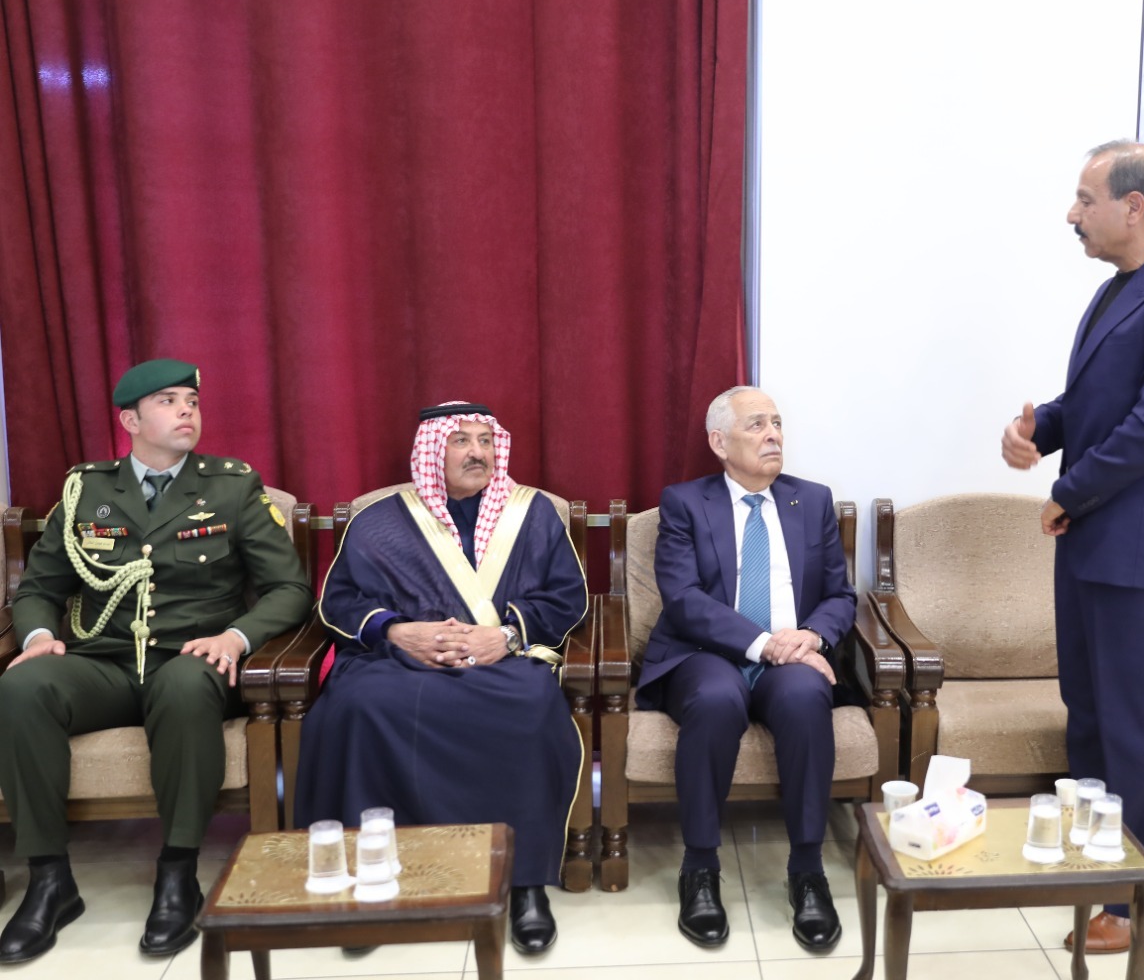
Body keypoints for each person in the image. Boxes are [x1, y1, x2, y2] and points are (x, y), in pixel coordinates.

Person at [1000, 140, 1144, 953]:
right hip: (1093, 544)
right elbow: (1099, 404)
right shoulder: (1119, 289)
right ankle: (1100, 866)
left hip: (1138, 550)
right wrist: (1041, 429)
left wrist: (1068, 490)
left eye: (1084, 199)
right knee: (1092, 717)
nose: (1071, 214)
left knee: (1135, 727)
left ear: (1133, 207)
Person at [0, 359, 313, 962]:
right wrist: (38, 637)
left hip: (194, 657)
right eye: (168, 401)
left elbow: (289, 589)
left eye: (191, 401)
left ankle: (177, 873)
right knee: (23, 687)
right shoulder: (86, 490)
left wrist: (236, 637)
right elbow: (38, 589)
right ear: (131, 421)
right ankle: (48, 880)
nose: (186, 410)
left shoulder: (231, 486)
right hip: (106, 661)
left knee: (182, 685)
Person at [294, 402, 587, 955]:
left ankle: (525, 882)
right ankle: (372, 879)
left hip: (500, 659)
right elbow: (340, 601)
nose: (478, 452)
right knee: (358, 705)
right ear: (432, 450)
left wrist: (506, 636)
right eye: (461, 441)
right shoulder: (378, 520)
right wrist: (394, 630)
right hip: (400, 662)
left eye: (486, 441)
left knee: (532, 702)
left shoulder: (533, 514)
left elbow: (566, 597)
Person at [637, 386, 856, 952]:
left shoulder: (811, 500)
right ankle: (700, 867)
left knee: (806, 696)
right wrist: (765, 645)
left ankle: (807, 870)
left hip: (792, 654)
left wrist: (811, 636)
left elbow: (839, 595)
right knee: (716, 699)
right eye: (756, 424)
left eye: (777, 423)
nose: (773, 434)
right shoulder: (685, 502)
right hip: (705, 653)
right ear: (719, 442)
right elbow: (683, 599)